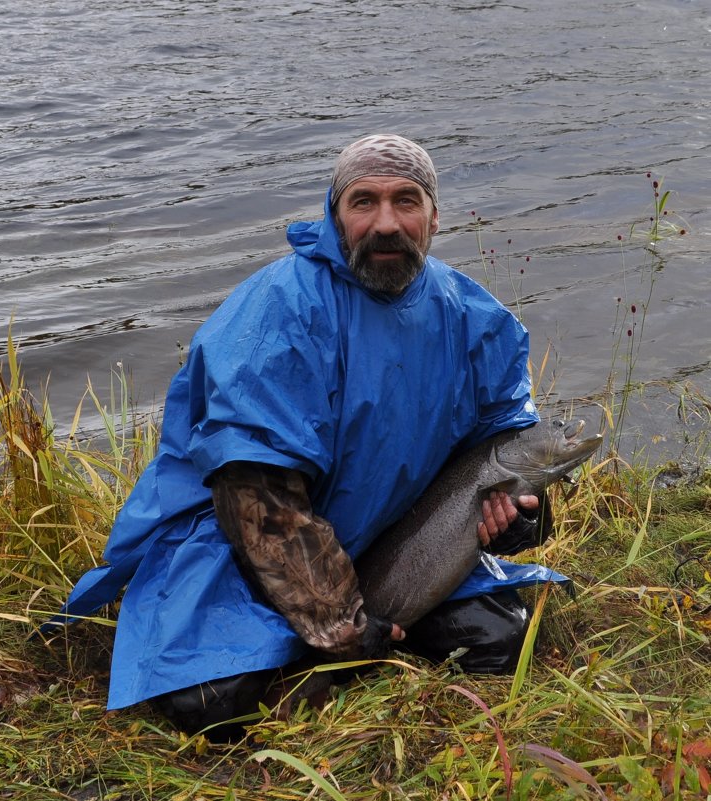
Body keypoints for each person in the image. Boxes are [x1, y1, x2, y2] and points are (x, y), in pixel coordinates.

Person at [58, 134, 562, 742]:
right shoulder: (280, 312)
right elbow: (257, 499)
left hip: (385, 537)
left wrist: (519, 518)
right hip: (238, 547)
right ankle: (308, 646)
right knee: (210, 706)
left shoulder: (476, 322)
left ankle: (356, 643)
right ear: (334, 212)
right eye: (362, 203)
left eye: (406, 201)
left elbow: (500, 449)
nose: (384, 224)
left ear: (434, 215)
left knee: (500, 638)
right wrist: (345, 627)